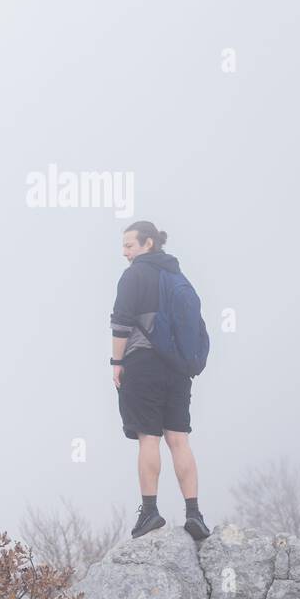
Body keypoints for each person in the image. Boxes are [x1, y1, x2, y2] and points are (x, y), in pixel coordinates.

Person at [110, 221, 211, 541]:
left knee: (148, 438)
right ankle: (194, 513)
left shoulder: (135, 275)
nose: (124, 252)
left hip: (143, 364)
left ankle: (150, 511)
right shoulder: (176, 276)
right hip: (178, 369)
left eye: (129, 245)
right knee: (179, 440)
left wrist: (116, 362)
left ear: (148, 243)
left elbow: (121, 323)